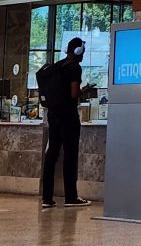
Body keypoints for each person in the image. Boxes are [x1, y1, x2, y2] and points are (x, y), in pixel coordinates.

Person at [41, 37, 92, 209]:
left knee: (52, 153)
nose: (83, 55)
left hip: (53, 115)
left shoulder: (58, 65)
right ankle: (71, 196)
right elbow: (73, 94)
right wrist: (84, 90)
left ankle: (47, 198)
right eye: (82, 52)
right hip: (68, 115)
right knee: (70, 154)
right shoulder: (74, 68)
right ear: (78, 52)